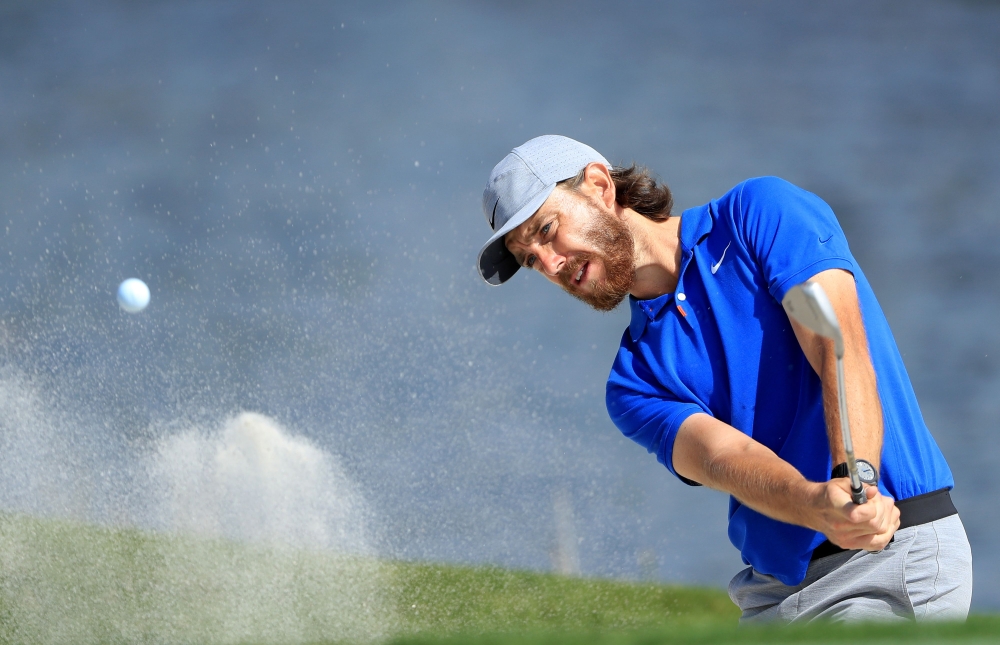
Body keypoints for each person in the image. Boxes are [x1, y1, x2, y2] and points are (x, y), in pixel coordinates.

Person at [476, 134, 973, 623]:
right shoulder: (636, 380)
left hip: (885, 558)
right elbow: (724, 457)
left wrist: (855, 480)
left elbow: (833, 345)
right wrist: (815, 504)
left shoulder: (757, 219)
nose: (550, 264)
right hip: (770, 599)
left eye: (547, 230)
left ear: (600, 187)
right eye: (530, 259)